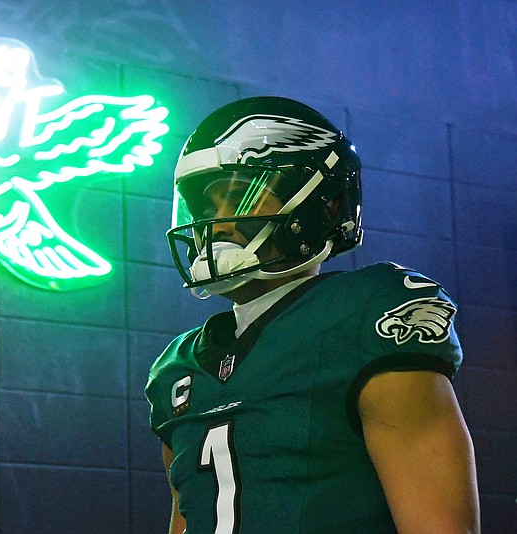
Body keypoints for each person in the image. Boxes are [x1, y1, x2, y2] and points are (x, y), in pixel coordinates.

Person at [145, 96, 480, 533]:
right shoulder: (177, 368)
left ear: (326, 205)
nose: (219, 222)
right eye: (209, 206)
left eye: (242, 194)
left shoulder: (366, 313)